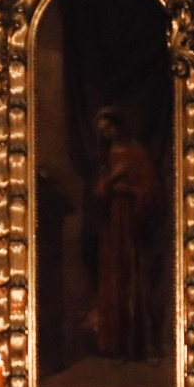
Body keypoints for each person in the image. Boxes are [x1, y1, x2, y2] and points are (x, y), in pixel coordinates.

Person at [82, 105, 160, 362]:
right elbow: (99, 191)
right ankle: (115, 345)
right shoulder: (107, 157)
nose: (109, 135)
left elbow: (150, 189)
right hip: (113, 224)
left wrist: (128, 188)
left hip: (131, 222)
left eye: (110, 128)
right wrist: (111, 183)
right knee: (114, 278)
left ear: (119, 125)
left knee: (134, 275)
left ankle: (139, 345)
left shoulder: (136, 152)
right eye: (104, 132)